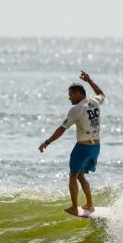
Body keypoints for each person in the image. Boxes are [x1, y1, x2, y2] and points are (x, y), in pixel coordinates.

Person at [38, 71, 105, 216]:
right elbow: (101, 94)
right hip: (96, 147)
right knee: (81, 175)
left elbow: (61, 129)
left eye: (70, 94)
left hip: (83, 147)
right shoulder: (94, 101)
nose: (69, 97)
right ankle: (90, 204)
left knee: (73, 176)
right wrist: (89, 80)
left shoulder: (76, 109)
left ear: (77, 94)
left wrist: (47, 142)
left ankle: (75, 207)